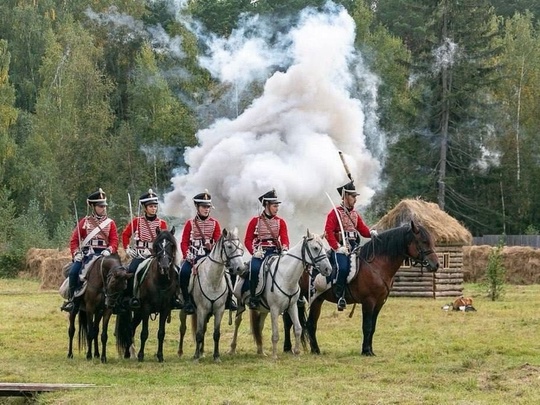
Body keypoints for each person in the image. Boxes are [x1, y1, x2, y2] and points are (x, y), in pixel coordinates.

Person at [61, 188, 119, 312]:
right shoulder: (84, 222)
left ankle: (117, 301)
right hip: (88, 254)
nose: (103, 208)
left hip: (105, 255)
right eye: (100, 206)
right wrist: (76, 253)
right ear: (93, 206)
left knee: (120, 273)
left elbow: (114, 240)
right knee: (73, 272)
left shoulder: (110, 223)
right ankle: (72, 301)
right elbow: (74, 240)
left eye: (104, 205)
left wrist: (109, 249)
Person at [324, 181, 378, 311]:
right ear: (345, 196)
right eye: (353, 196)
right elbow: (328, 232)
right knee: (343, 268)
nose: (355, 199)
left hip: (354, 246)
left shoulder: (355, 214)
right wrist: (337, 247)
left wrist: (371, 233)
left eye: (355, 196)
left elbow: (363, 230)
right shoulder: (335, 213)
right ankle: (340, 295)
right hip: (340, 248)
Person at [121, 189, 173, 309]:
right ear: (145, 208)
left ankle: (172, 296)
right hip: (140, 255)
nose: (153, 208)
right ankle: (131, 296)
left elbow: (164, 241)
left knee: (173, 271)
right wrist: (127, 248)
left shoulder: (162, 223)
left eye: (155, 206)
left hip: (156, 256)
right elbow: (125, 235)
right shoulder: (136, 222)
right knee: (132, 271)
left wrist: (154, 252)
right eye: (150, 206)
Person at [244, 189, 290, 309]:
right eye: (275, 206)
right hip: (261, 253)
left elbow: (285, 238)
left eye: (277, 206)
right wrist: (254, 252)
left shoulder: (281, 222)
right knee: (254, 269)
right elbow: (247, 240)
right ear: (266, 205)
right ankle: (254, 297)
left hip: (275, 252)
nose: (277, 208)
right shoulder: (255, 221)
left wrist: (285, 249)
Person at [179, 190, 222, 315]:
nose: (206, 209)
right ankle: (186, 301)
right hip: (193, 256)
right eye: (204, 206)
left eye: (208, 207)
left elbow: (218, 242)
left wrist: (212, 245)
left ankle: (229, 299)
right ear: (197, 207)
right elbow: (184, 242)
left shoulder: (215, 223)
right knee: (184, 272)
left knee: (226, 273)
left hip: (209, 257)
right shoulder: (190, 223)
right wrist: (187, 255)